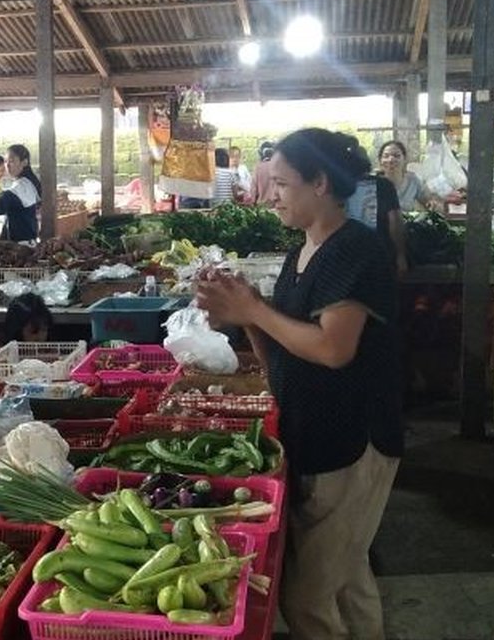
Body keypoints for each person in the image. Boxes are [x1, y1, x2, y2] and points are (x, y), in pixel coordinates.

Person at [195, 127, 403, 640]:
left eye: (283, 184)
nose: (270, 196)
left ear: (321, 184)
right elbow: (283, 349)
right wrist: (242, 311)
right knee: (347, 579)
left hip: (353, 441)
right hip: (312, 434)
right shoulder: (301, 254)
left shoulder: (354, 249)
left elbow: (334, 349)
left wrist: (255, 309)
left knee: (306, 596)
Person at [347, 148, 408, 277]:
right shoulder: (383, 185)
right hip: (380, 254)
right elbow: (395, 222)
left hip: (347, 255)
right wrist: (400, 255)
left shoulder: (335, 187)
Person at [378, 141, 433, 212]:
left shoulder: (413, 180)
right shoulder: (373, 184)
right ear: (380, 161)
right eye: (386, 156)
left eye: (397, 156)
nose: (391, 160)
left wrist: (431, 204)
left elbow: (427, 200)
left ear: (404, 159)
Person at [251, 141, 277, 207]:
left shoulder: (258, 167)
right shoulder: (278, 167)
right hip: (276, 205)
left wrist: (253, 202)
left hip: (262, 206)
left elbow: (254, 189)